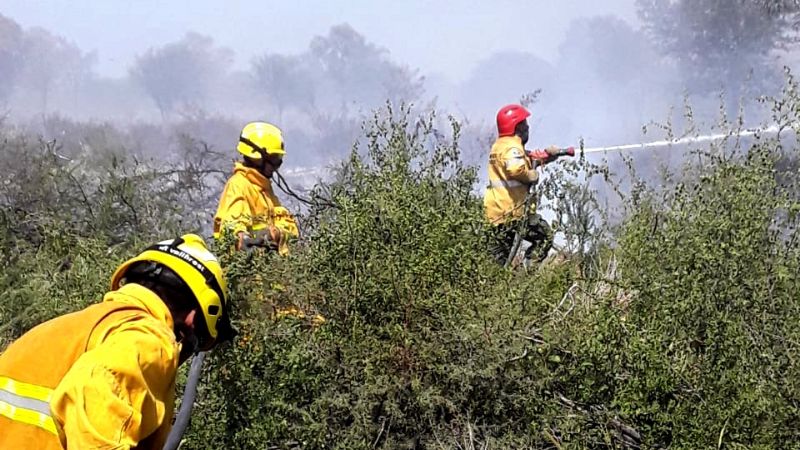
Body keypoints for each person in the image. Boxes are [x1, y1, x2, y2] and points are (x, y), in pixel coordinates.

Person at [0, 234, 232, 449]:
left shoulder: (59, 330)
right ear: (194, 320)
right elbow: (97, 388)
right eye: (199, 341)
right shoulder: (149, 337)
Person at [483, 104, 560, 264]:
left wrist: (548, 156)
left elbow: (525, 160)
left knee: (497, 261)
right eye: (525, 124)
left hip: (496, 214)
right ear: (517, 126)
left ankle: (494, 284)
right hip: (512, 213)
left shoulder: (500, 146)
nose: (528, 127)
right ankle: (528, 274)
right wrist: (529, 176)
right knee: (544, 237)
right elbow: (516, 169)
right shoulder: (512, 148)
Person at [213, 121, 299, 256]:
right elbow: (232, 230)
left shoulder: (263, 188)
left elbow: (289, 227)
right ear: (257, 157)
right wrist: (246, 239)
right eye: (275, 159)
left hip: (268, 272)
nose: (277, 165)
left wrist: (275, 233)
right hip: (248, 273)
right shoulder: (238, 185)